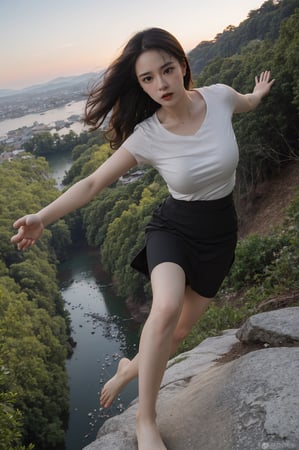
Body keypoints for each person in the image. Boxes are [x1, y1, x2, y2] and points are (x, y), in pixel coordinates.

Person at [11, 28, 274, 450]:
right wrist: (42, 216)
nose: (161, 85)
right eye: (147, 79)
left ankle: (126, 370)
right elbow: (94, 181)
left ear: (182, 65)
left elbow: (247, 102)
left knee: (180, 331)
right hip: (173, 227)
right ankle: (145, 421)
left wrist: (259, 92)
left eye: (167, 70)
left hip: (220, 232)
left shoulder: (220, 96)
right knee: (165, 307)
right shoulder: (148, 135)